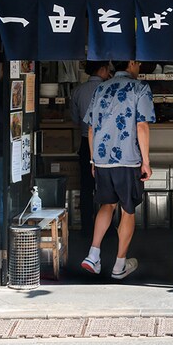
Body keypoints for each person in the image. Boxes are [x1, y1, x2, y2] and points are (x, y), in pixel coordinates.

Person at [80, 60, 155, 280]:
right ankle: (119, 265)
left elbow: (91, 128)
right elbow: (142, 126)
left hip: (102, 160)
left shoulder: (100, 88)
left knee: (107, 204)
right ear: (131, 63)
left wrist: (93, 161)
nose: (139, 67)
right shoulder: (139, 88)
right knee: (127, 210)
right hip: (128, 160)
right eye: (138, 63)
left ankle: (93, 255)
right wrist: (146, 161)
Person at [70, 60, 112, 233]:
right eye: (107, 69)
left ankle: (86, 226)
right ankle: (106, 228)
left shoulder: (77, 91)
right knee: (106, 187)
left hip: (85, 143)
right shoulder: (109, 89)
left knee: (86, 186)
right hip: (105, 144)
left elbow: (74, 119)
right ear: (102, 69)